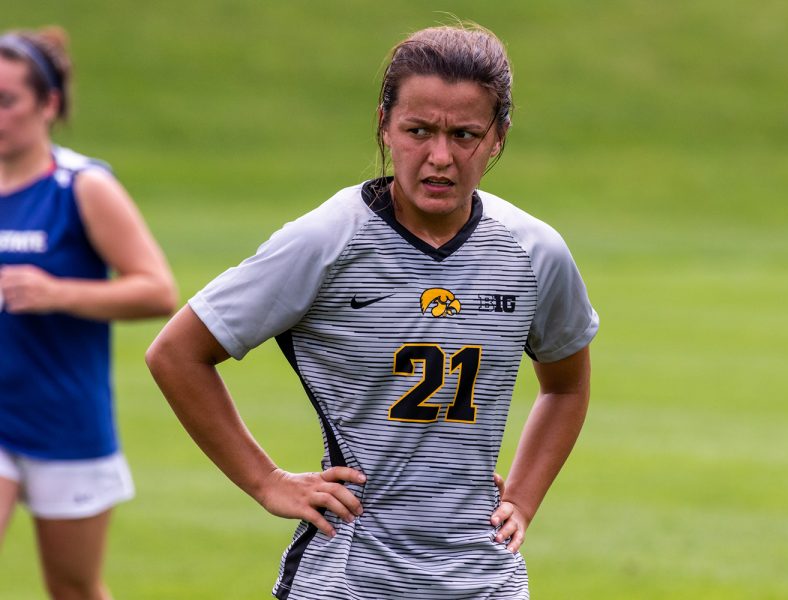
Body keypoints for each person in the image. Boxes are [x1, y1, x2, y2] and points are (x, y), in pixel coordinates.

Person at [146, 22, 597, 599]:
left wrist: (523, 499)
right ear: (384, 126)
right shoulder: (329, 240)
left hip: (485, 580)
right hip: (349, 578)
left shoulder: (533, 251)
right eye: (418, 131)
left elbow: (566, 386)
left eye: (465, 134)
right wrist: (266, 481)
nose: (440, 157)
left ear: (499, 136)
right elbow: (178, 353)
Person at [0, 27, 177, 600]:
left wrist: (59, 293)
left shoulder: (81, 186)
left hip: (65, 420)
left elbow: (157, 290)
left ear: (48, 104)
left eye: (7, 101)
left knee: (73, 587)